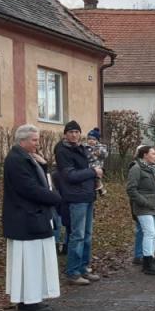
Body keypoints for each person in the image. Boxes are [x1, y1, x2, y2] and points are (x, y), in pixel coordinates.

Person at [3, 124, 63, 311]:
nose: (37, 144)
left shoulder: (26, 158)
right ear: (23, 140)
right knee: (28, 262)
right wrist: (55, 198)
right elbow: (29, 188)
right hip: (25, 218)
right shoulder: (16, 160)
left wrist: (43, 165)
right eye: (34, 140)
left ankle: (32, 298)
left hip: (32, 216)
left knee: (35, 261)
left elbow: (41, 181)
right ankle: (28, 301)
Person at [55, 121, 102, 285]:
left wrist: (95, 176)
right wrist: (92, 172)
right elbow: (70, 176)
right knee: (77, 235)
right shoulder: (62, 150)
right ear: (65, 134)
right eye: (71, 132)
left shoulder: (82, 148)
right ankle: (73, 272)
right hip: (75, 197)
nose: (74, 135)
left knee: (87, 236)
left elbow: (91, 166)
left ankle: (83, 268)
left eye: (76, 131)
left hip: (88, 195)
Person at [126, 145, 155, 275]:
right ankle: (147, 263)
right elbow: (131, 189)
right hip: (144, 207)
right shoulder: (136, 168)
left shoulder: (154, 168)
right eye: (153, 153)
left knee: (154, 233)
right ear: (145, 155)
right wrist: (144, 202)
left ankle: (151, 260)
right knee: (149, 232)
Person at [85, 128, 109, 197]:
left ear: (97, 141)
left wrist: (99, 153)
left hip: (97, 166)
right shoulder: (85, 147)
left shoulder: (100, 147)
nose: (91, 141)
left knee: (96, 178)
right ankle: (99, 190)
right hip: (88, 166)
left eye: (93, 139)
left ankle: (100, 189)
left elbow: (105, 155)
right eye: (89, 139)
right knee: (92, 180)